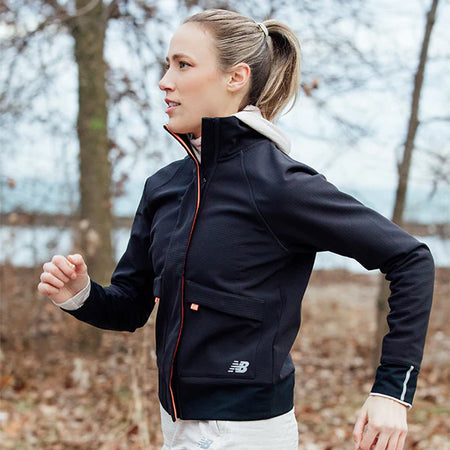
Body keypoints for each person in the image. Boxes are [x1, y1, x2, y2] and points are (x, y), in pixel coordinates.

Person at [37, 9, 434, 450]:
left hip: (245, 433)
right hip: (175, 425)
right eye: (167, 64)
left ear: (235, 77)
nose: (164, 81)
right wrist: (80, 294)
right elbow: (131, 307)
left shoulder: (280, 185)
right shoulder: (166, 187)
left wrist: (392, 393)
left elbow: (410, 258)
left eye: (183, 65)